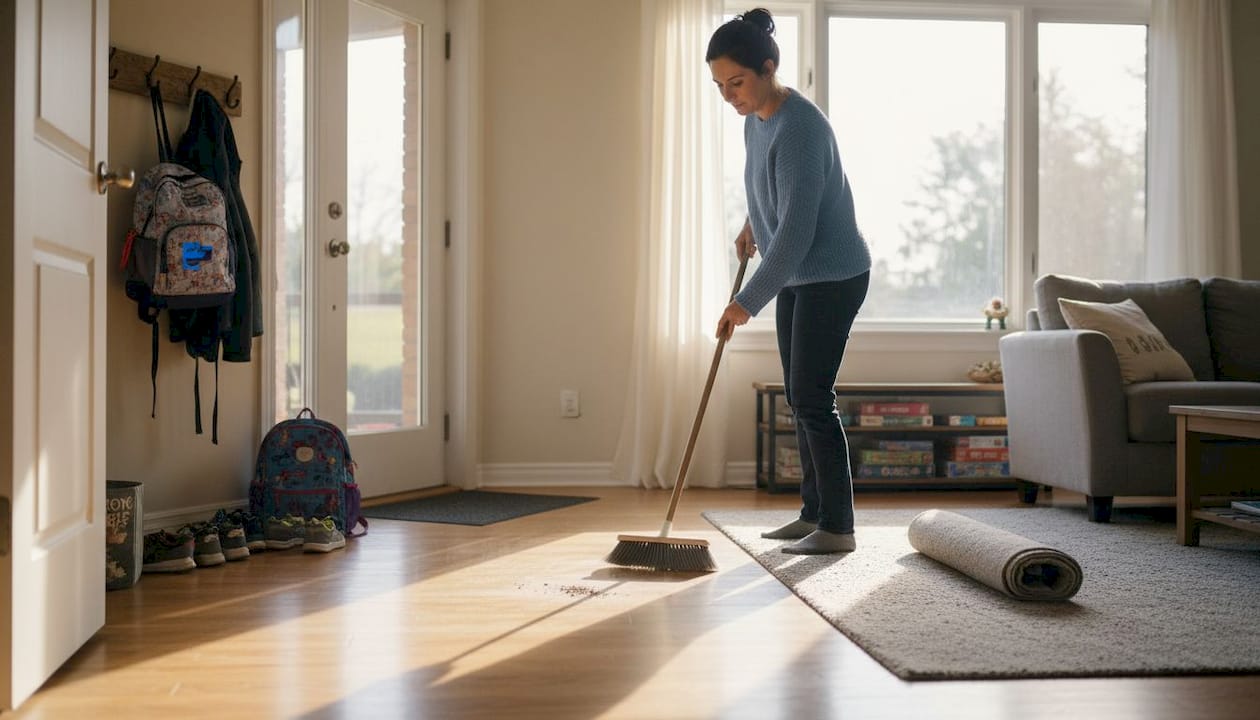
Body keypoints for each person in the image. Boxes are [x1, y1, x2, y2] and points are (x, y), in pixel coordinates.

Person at [708, 8, 872, 554]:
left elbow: (798, 235)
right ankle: (813, 514)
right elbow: (776, 192)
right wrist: (753, 221)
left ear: (768, 67)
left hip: (833, 273)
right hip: (799, 274)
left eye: (737, 82)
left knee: (811, 397)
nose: (730, 95)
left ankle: (839, 528)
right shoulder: (757, 120)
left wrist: (744, 303)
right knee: (801, 399)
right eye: (720, 86)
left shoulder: (800, 127)